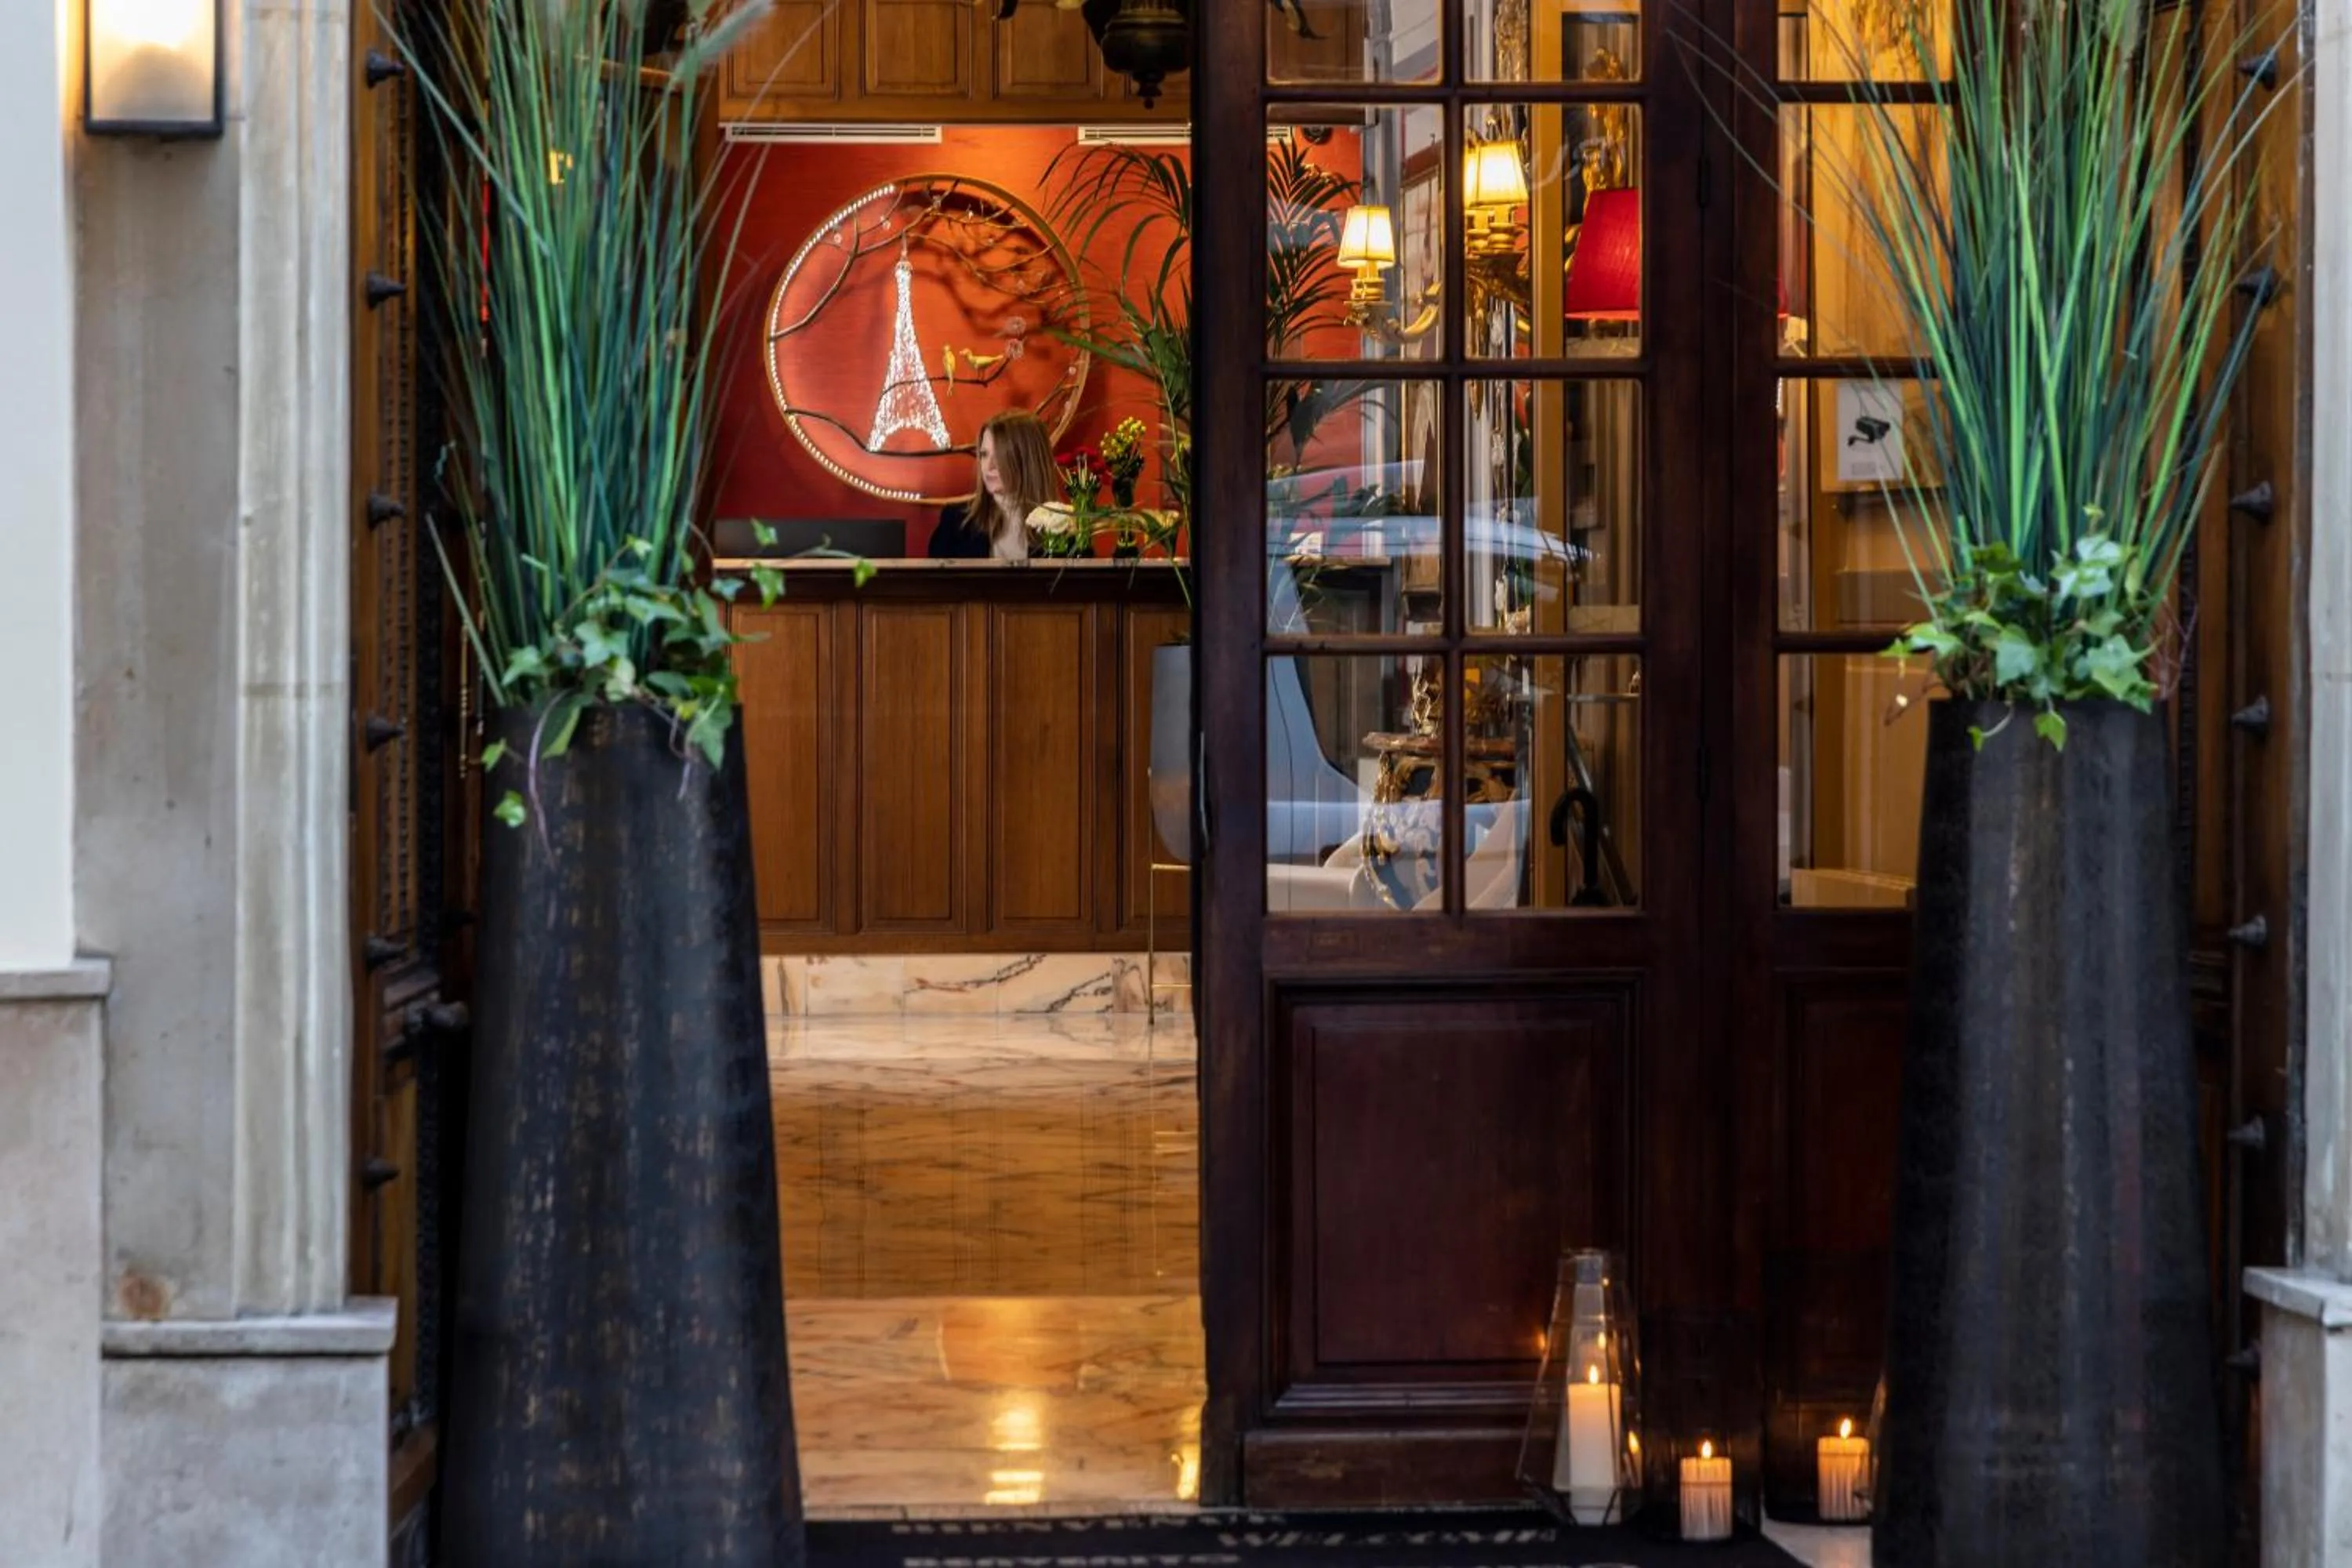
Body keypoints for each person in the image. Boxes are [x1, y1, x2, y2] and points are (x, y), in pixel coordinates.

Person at [929, 410, 1055, 561]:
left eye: (1000, 455)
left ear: (1027, 460)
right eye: (984, 454)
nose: (989, 466)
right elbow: (934, 583)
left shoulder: (1064, 526)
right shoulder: (956, 522)